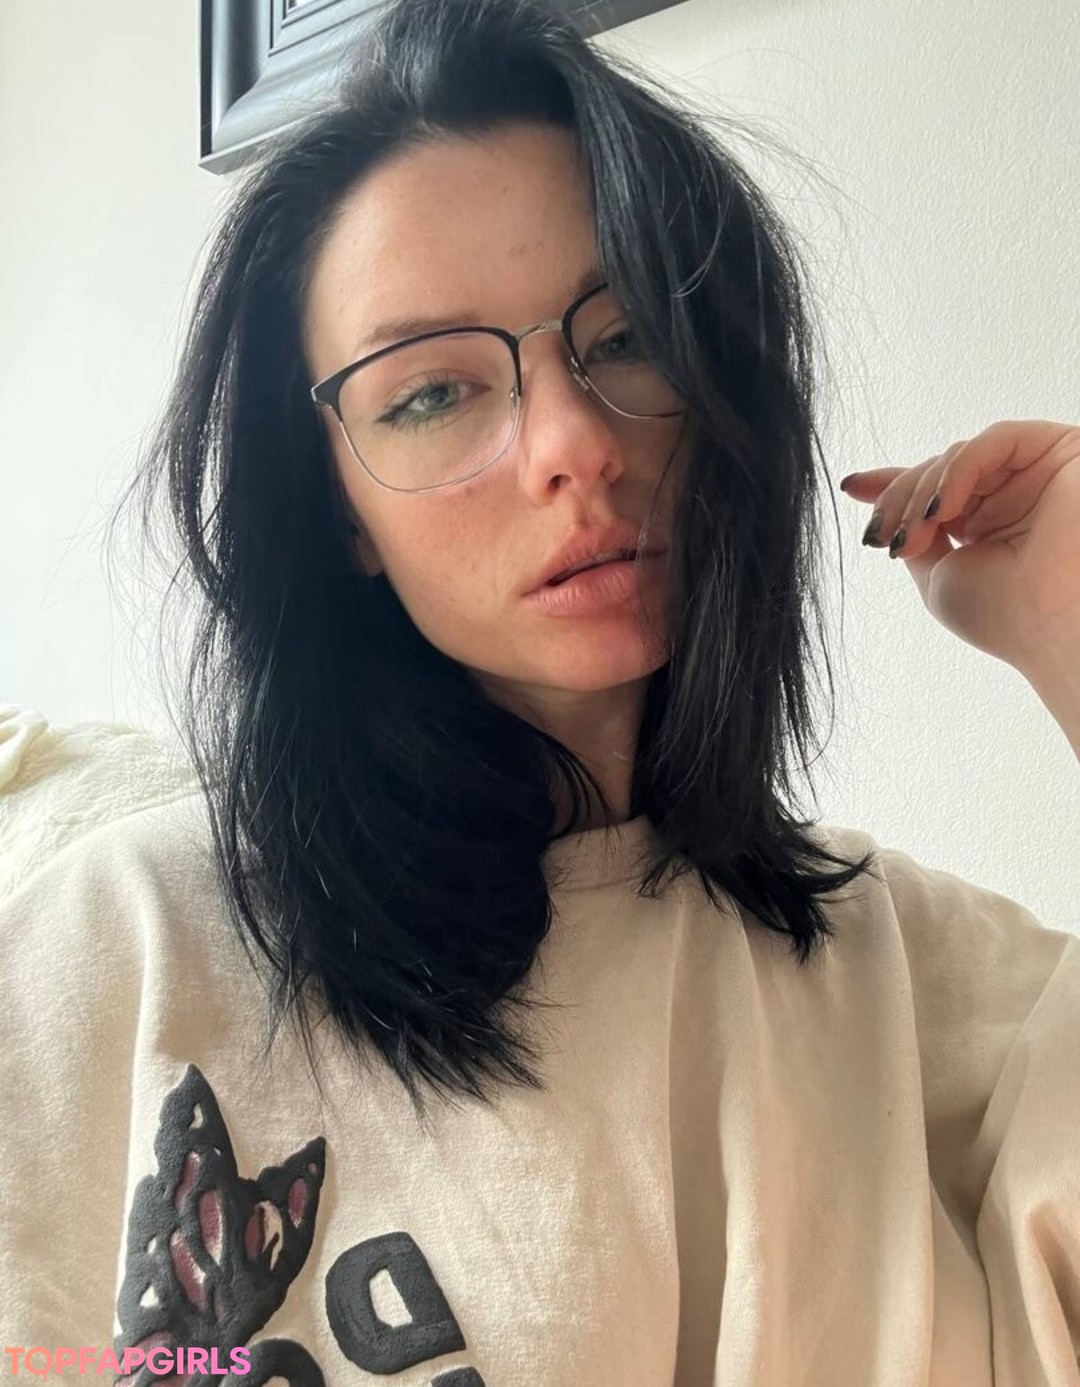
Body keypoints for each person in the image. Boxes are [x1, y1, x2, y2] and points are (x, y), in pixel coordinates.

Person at [1, 0, 1077, 1381]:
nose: (574, 443)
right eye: (429, 395)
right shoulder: (114, 947)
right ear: (335, 511)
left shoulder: (907, 968)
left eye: (627, 339)